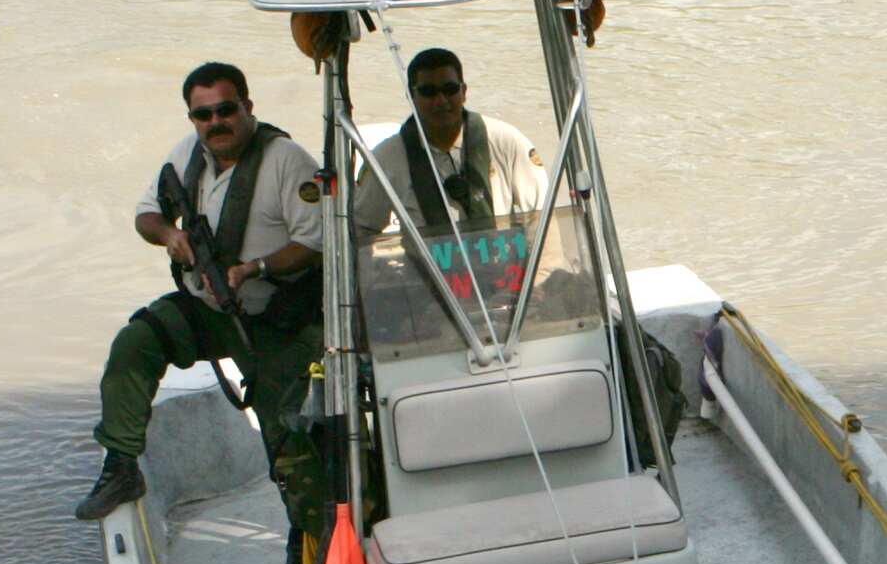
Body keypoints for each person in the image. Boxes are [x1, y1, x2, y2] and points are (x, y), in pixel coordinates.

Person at [74, 61, 329, 528]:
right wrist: (170, 236)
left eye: (226, 110)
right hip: (208, 308)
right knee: (136, 344)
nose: (216, 123)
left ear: (248, 107)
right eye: (203, 115)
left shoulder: (287, 161)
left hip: (280, 317)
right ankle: (121, 465)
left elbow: (315, 242)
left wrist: (256, 268)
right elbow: (146, 214)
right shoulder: (187, 157)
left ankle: (308, 533)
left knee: (284, 425)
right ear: (192, 118)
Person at [371, 48, 546, 240]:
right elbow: (362, 229)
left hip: (503, 264)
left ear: (463, 92)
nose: (441, 100)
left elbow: (544, 217)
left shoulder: (507, 142)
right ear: (411, 97)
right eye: (428, 92)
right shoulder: (386, 159)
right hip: (424, 269)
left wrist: (543, 270)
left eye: (450, 89)